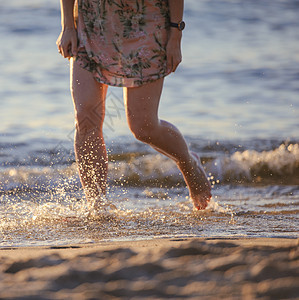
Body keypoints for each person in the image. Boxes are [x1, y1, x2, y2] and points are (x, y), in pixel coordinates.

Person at [56, 0, 212, 210]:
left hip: (145, 22)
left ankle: (188, 162)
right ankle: (97, 206)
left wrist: (176, 34)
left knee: (143, 127)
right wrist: (67, 26)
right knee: (85, 118)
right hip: (91, 21)